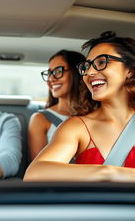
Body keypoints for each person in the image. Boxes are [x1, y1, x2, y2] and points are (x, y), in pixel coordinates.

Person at [24, 31, 135, 182]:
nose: (89, 72)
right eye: (86, 67)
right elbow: (34, 174)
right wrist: (108, 173)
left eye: (101, 62)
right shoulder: (77, 126)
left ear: (129, 70)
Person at [28, 50, 86, 161]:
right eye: (49, 73)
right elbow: (39, 171)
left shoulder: (96, 114)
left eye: (58, 71)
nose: (51, 79)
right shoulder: (40, 119)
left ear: (77, 72)